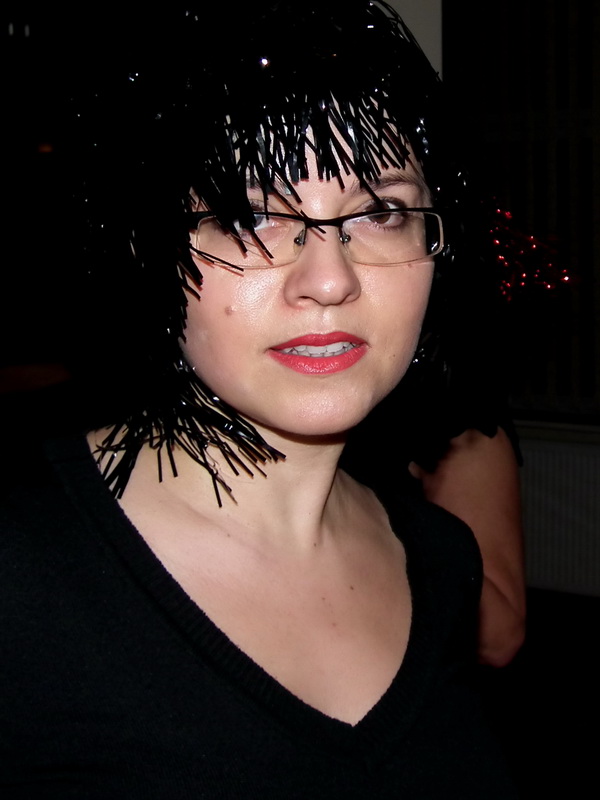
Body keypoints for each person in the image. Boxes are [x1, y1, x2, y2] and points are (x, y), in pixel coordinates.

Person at [1, 2, 519, 796]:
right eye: (248, 215)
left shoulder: (443, 562)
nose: (330, 279)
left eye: (380, 211)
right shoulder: (21, 570)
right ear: (146, 248)